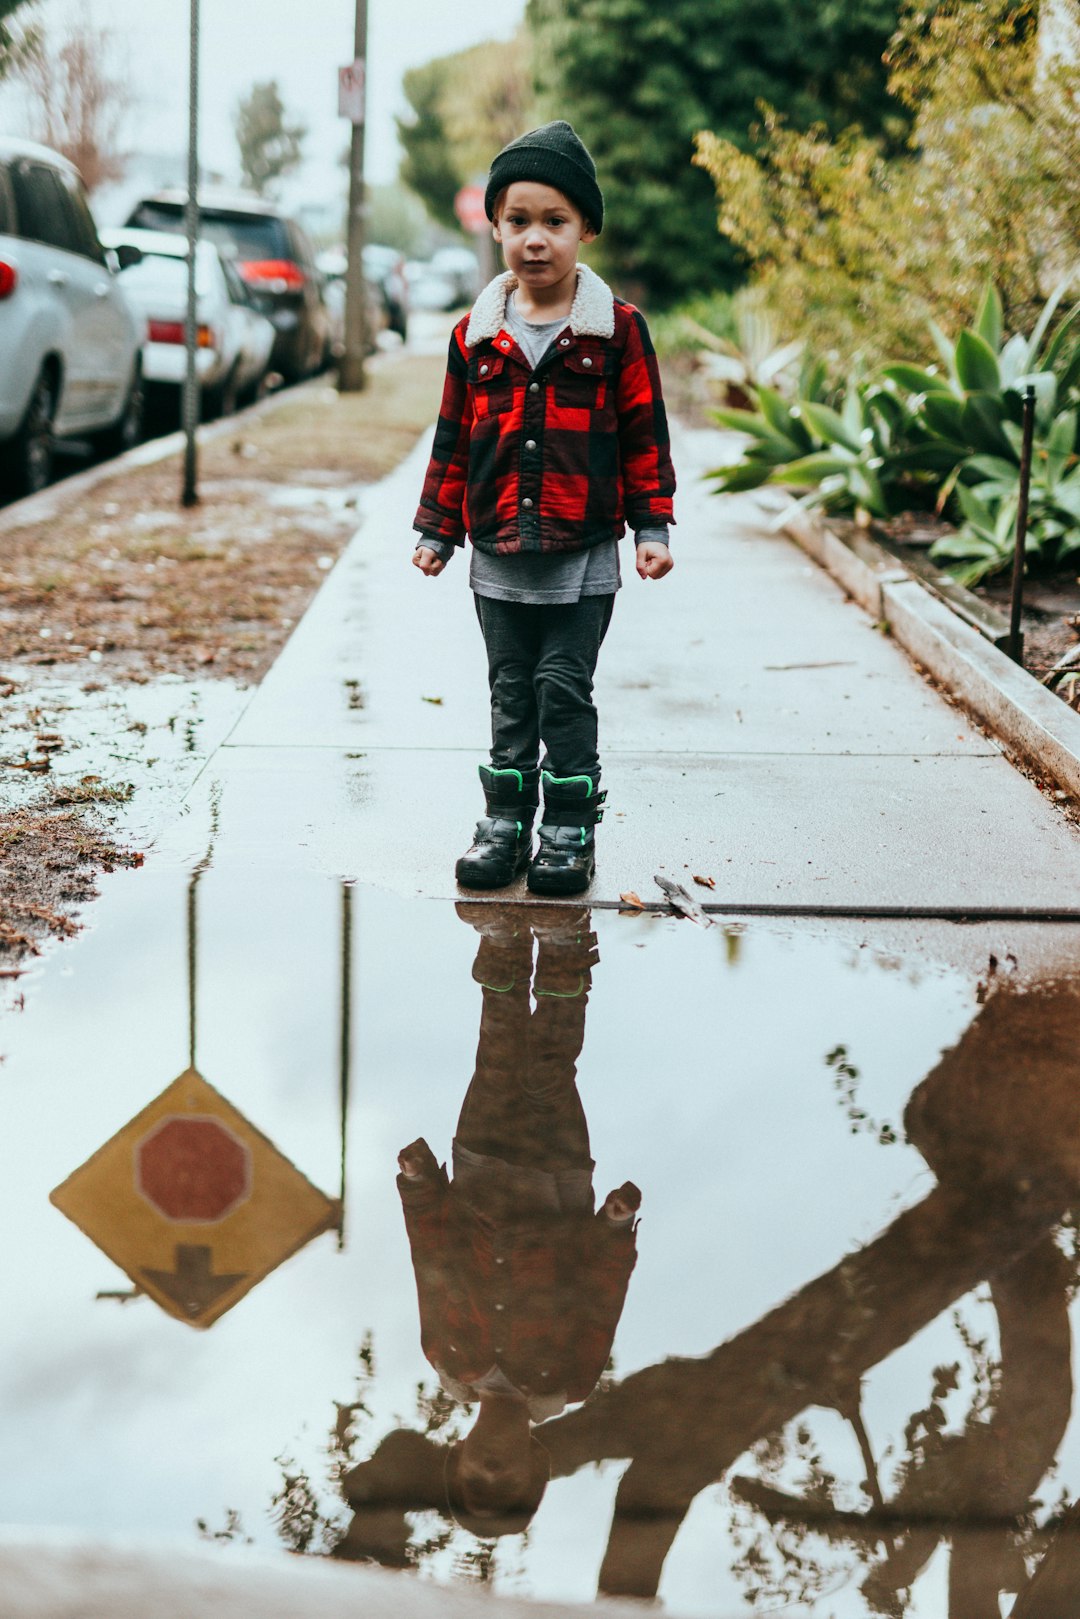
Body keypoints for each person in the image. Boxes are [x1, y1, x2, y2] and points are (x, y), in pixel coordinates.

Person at [412, 120, 676, 896]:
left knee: (563, 688)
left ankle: (567, 827)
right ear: (494, 225)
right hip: (496, 554)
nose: (535, 239)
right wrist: (436, 528)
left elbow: (643, 434)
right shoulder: (476, 336)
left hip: (582, 556)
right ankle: (502, 824)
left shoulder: (616, 331)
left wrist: (652, 525)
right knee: (508, 690)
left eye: (554, 222)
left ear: (584, 229)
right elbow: (454, 439)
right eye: (519, 220)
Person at [395, 904, 641, 1538]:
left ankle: (503, 941)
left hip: (476, 1174)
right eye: (508, 1487)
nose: (491, 1474)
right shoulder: (570, 1379)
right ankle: (563, 948)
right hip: (557, 1183)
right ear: (537, 1465)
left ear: (458, 1458)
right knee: (549, 1073)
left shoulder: (446, 1357)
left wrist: (421, 1188)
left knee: (498, 1054)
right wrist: (613, 1228)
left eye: (475, 1482)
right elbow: (600, 1296)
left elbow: (432, 1265)